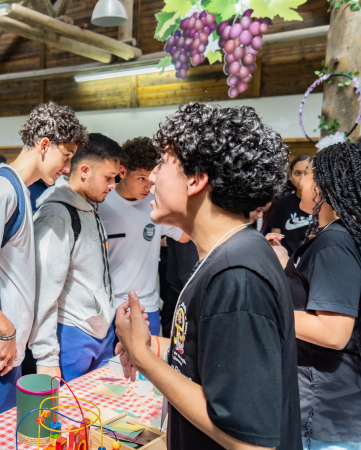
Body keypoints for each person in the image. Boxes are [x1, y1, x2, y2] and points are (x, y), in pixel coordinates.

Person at [114, 103, 300, 450]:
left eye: (163, 163)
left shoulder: (237, 276)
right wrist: (154, 346)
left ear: (196, 180)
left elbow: (248, 441)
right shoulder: (226, 255)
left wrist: (143, 359)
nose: (151, 177)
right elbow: (212, 362)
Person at [0, 101, 87, 427]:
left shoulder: (19, 189)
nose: (67, 168)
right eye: (66, 156)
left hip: (6, 350)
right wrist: (6, 329)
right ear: (45, 144)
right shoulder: (1, 189)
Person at [267, 143, 361, 450]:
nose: (302, 180)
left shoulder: (334, 241)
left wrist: (265, 310)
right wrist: (285, 264)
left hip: (327, 411)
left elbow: (334, 332)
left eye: (309, 174)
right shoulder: (331, 236)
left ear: (324, 185)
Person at [30, 133, 123, 382]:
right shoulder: (56, 215)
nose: (113, 185)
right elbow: (44, 291)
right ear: (84, 170)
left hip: (99, 332)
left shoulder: (90, 206)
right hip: (70, 335)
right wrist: (46, 357)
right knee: (68, 417)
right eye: (108, 177)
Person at [99, 137, 188, 337]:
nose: (147, 186)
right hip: (109, 306)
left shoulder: (155, 204)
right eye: (141, 178)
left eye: (151, 179)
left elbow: (184, 237)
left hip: (147, 306)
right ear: (122, 172)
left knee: (146, 367)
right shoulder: (102, 203)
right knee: (111, 368)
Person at [265, 155, 313, 255]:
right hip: (289, 261)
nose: (302, 177)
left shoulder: (323, 202)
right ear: (290, 176)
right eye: (297, 173)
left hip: (315, 259)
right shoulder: (282, 203)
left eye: (307, 173)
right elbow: (276, 239)